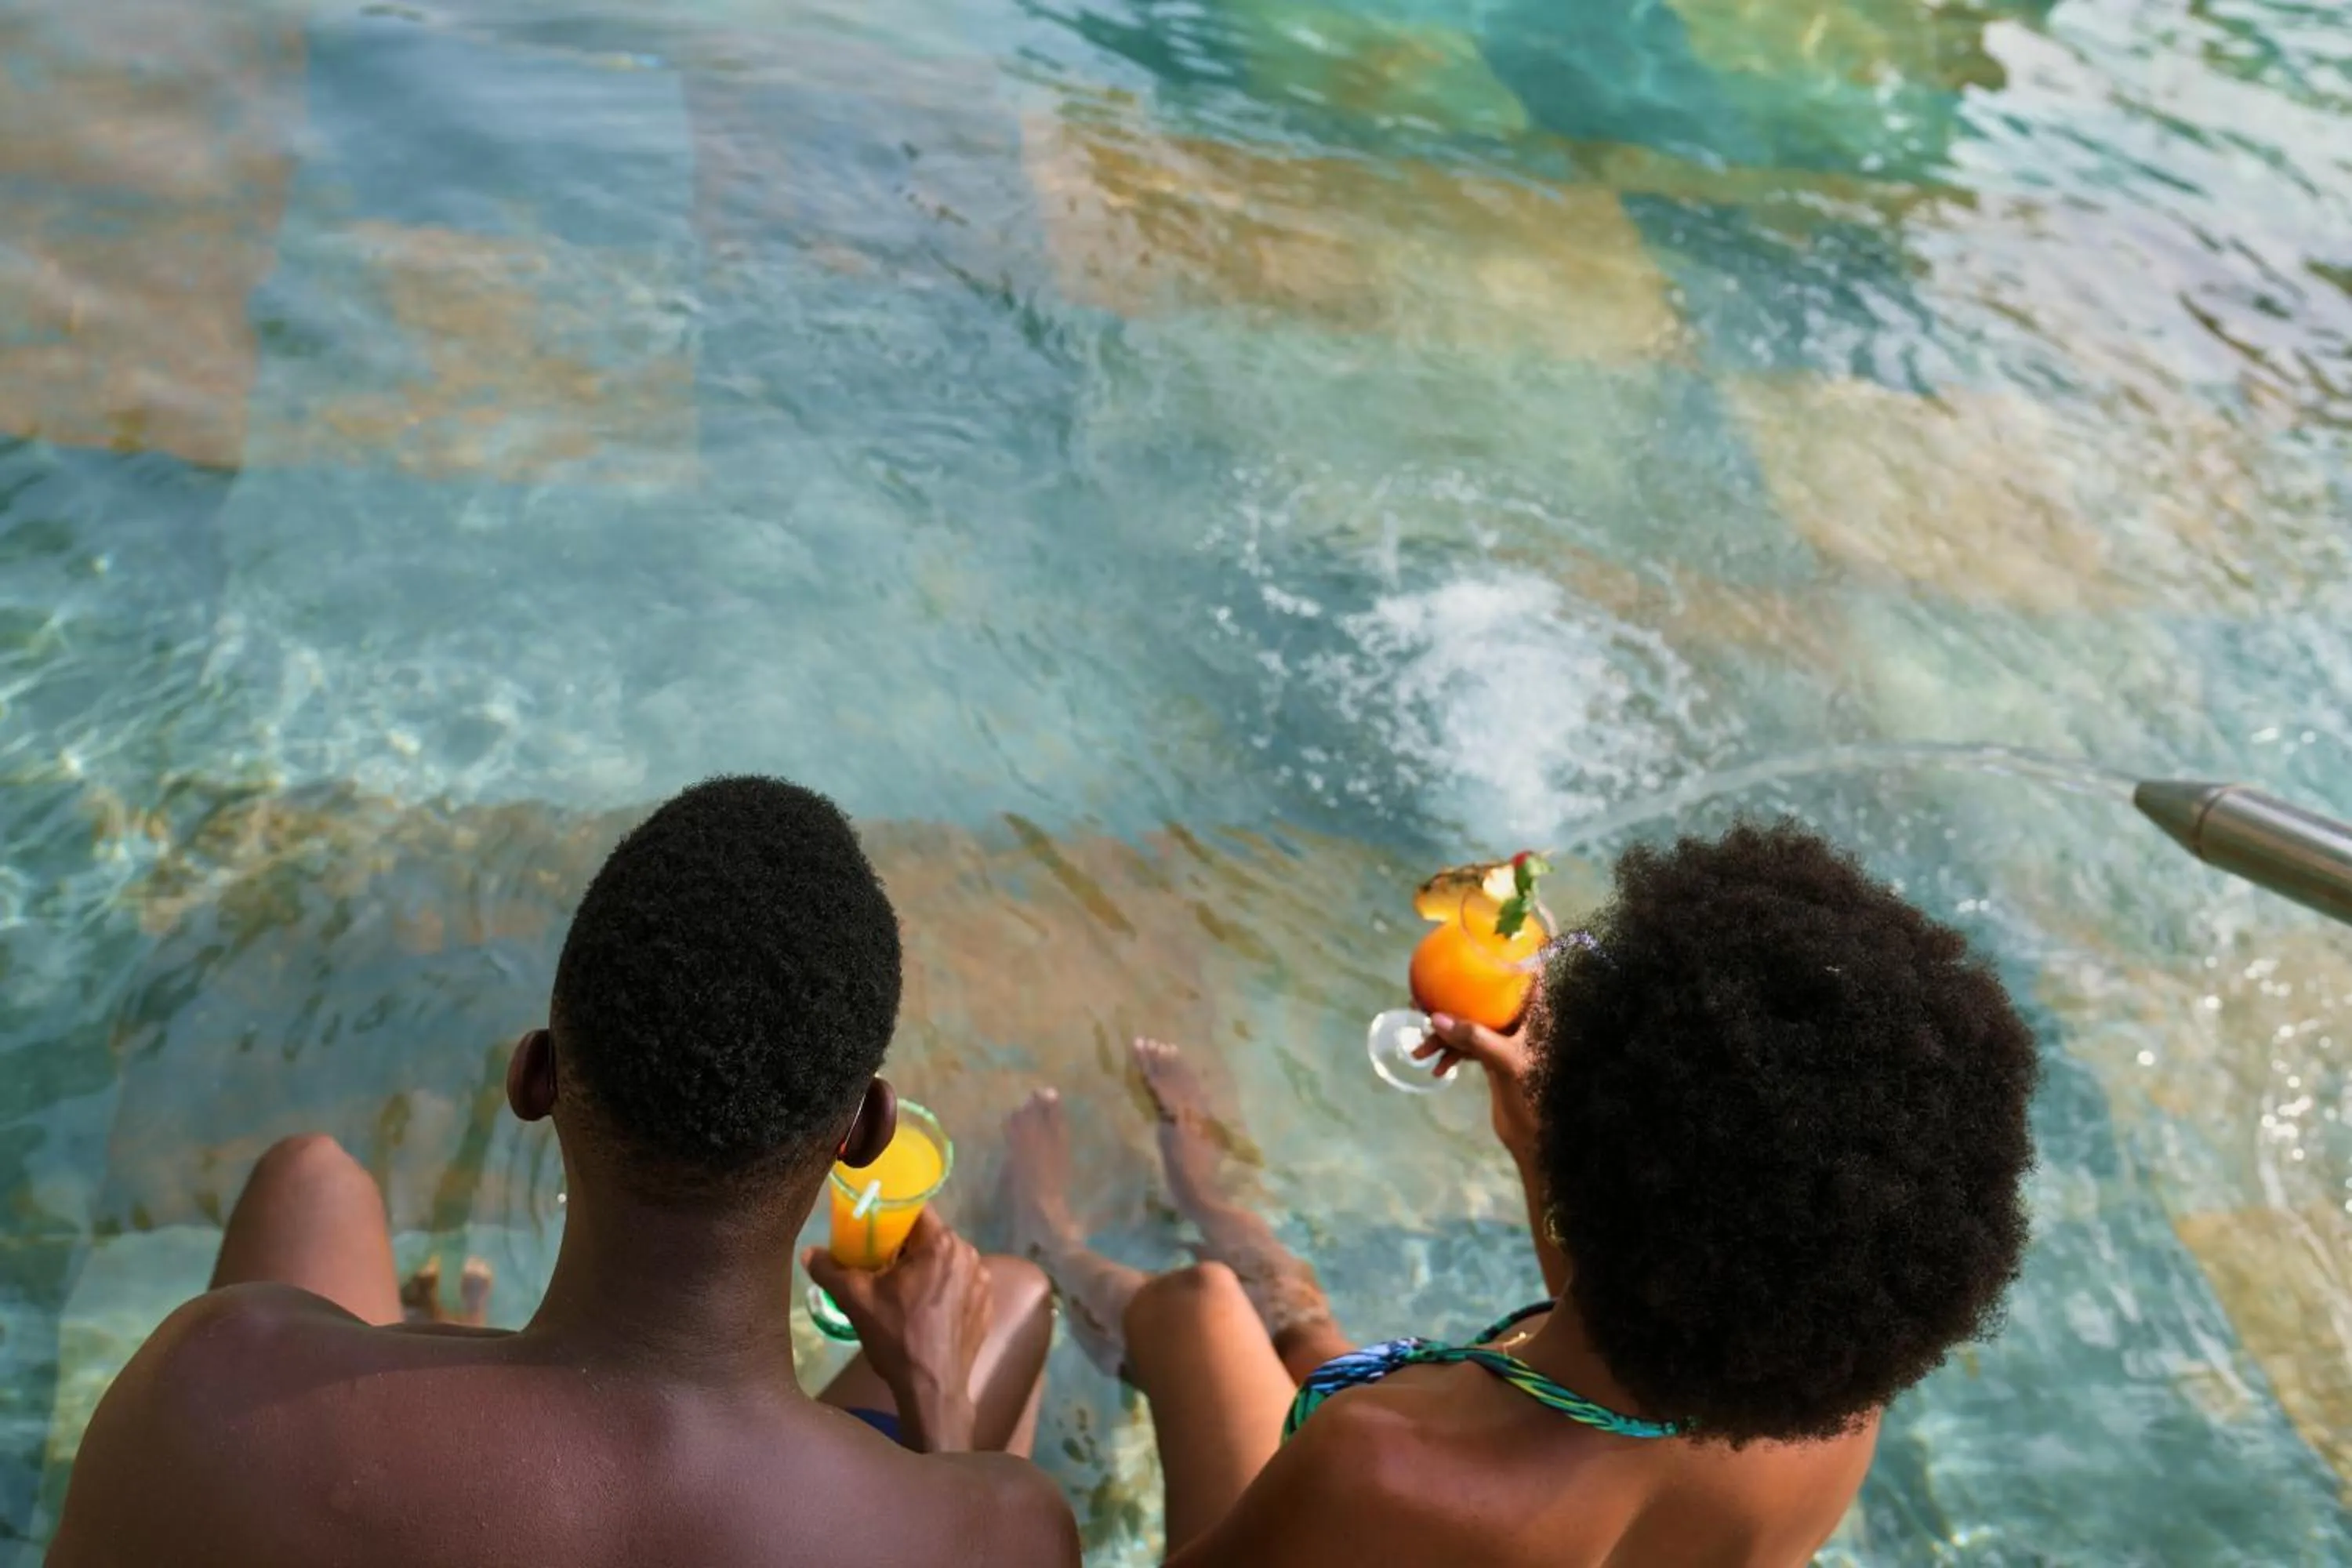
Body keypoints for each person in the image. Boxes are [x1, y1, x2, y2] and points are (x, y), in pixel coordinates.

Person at [50, 776, 1081, 1568]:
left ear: (534, 1076)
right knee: (1014, 1299)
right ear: (866, 1131)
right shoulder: (1002, 1531)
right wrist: (937, 1409)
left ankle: (443, 1337)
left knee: (309, 1184)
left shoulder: (210, 1390)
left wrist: (424, 1359)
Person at [1007, 820, 2041, 1566]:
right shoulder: (1828, 1412)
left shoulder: (1378, 1468)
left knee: (1199, 1310)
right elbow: (1614, 1318)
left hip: (1388, 1515)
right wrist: (1532, 1138)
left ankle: (1046, 1245)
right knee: (1308, 1335)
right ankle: (1214, 1205)